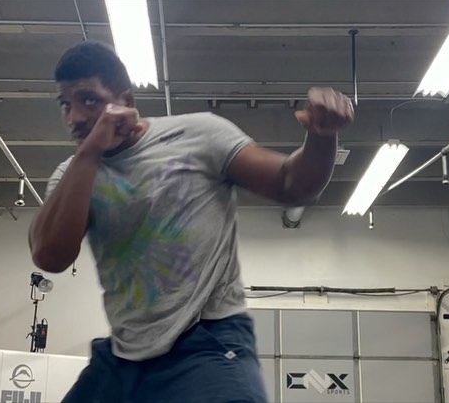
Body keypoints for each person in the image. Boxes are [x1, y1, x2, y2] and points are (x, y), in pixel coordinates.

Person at [29, 41, 354, 402]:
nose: (74, 117)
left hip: (205, 341)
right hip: (123, 355)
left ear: (125, 101)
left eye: (89, 100)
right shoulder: (73, 175)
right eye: (65, 105)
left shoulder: (198, 135)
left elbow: (292, 185)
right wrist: (89, 153)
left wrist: (322, 137)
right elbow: (50, 257)